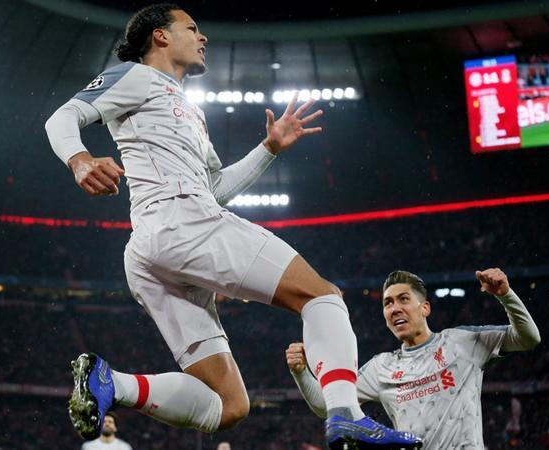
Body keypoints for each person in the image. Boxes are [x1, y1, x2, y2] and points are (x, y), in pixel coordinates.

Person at [44, 4, 422, 449]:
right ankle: (346, 415)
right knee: (322, 296)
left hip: (153, 248)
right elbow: (62, 117)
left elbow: (216, 187)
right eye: (192, 28)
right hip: (181, 221)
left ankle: (114, 383)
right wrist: (80, 159)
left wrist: (269, 147)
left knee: (229, 407)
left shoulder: (188, 111)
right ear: (160, 37)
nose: (202, 38)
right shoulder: (136, 75)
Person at [286, 268, 541, 449]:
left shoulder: (461, 342)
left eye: (403, 299)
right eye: (387, 303)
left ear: (425, 307)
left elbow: (528, 338)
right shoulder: (381, 367)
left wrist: (506, 295)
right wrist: (301, 372)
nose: (394, 308)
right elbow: (326, 405)